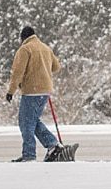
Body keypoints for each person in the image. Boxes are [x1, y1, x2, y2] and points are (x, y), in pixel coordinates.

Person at [5, 26, 75, 162]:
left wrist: (11, 91)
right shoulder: (45, 48)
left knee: (25, 123)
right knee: (33, 121)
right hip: (45, 90)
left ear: (23, 37)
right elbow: (56, 67)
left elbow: (17, 72)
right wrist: (43, 71)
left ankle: (29, 154)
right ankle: (53, 146)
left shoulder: (25, 49)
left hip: (32, 91)